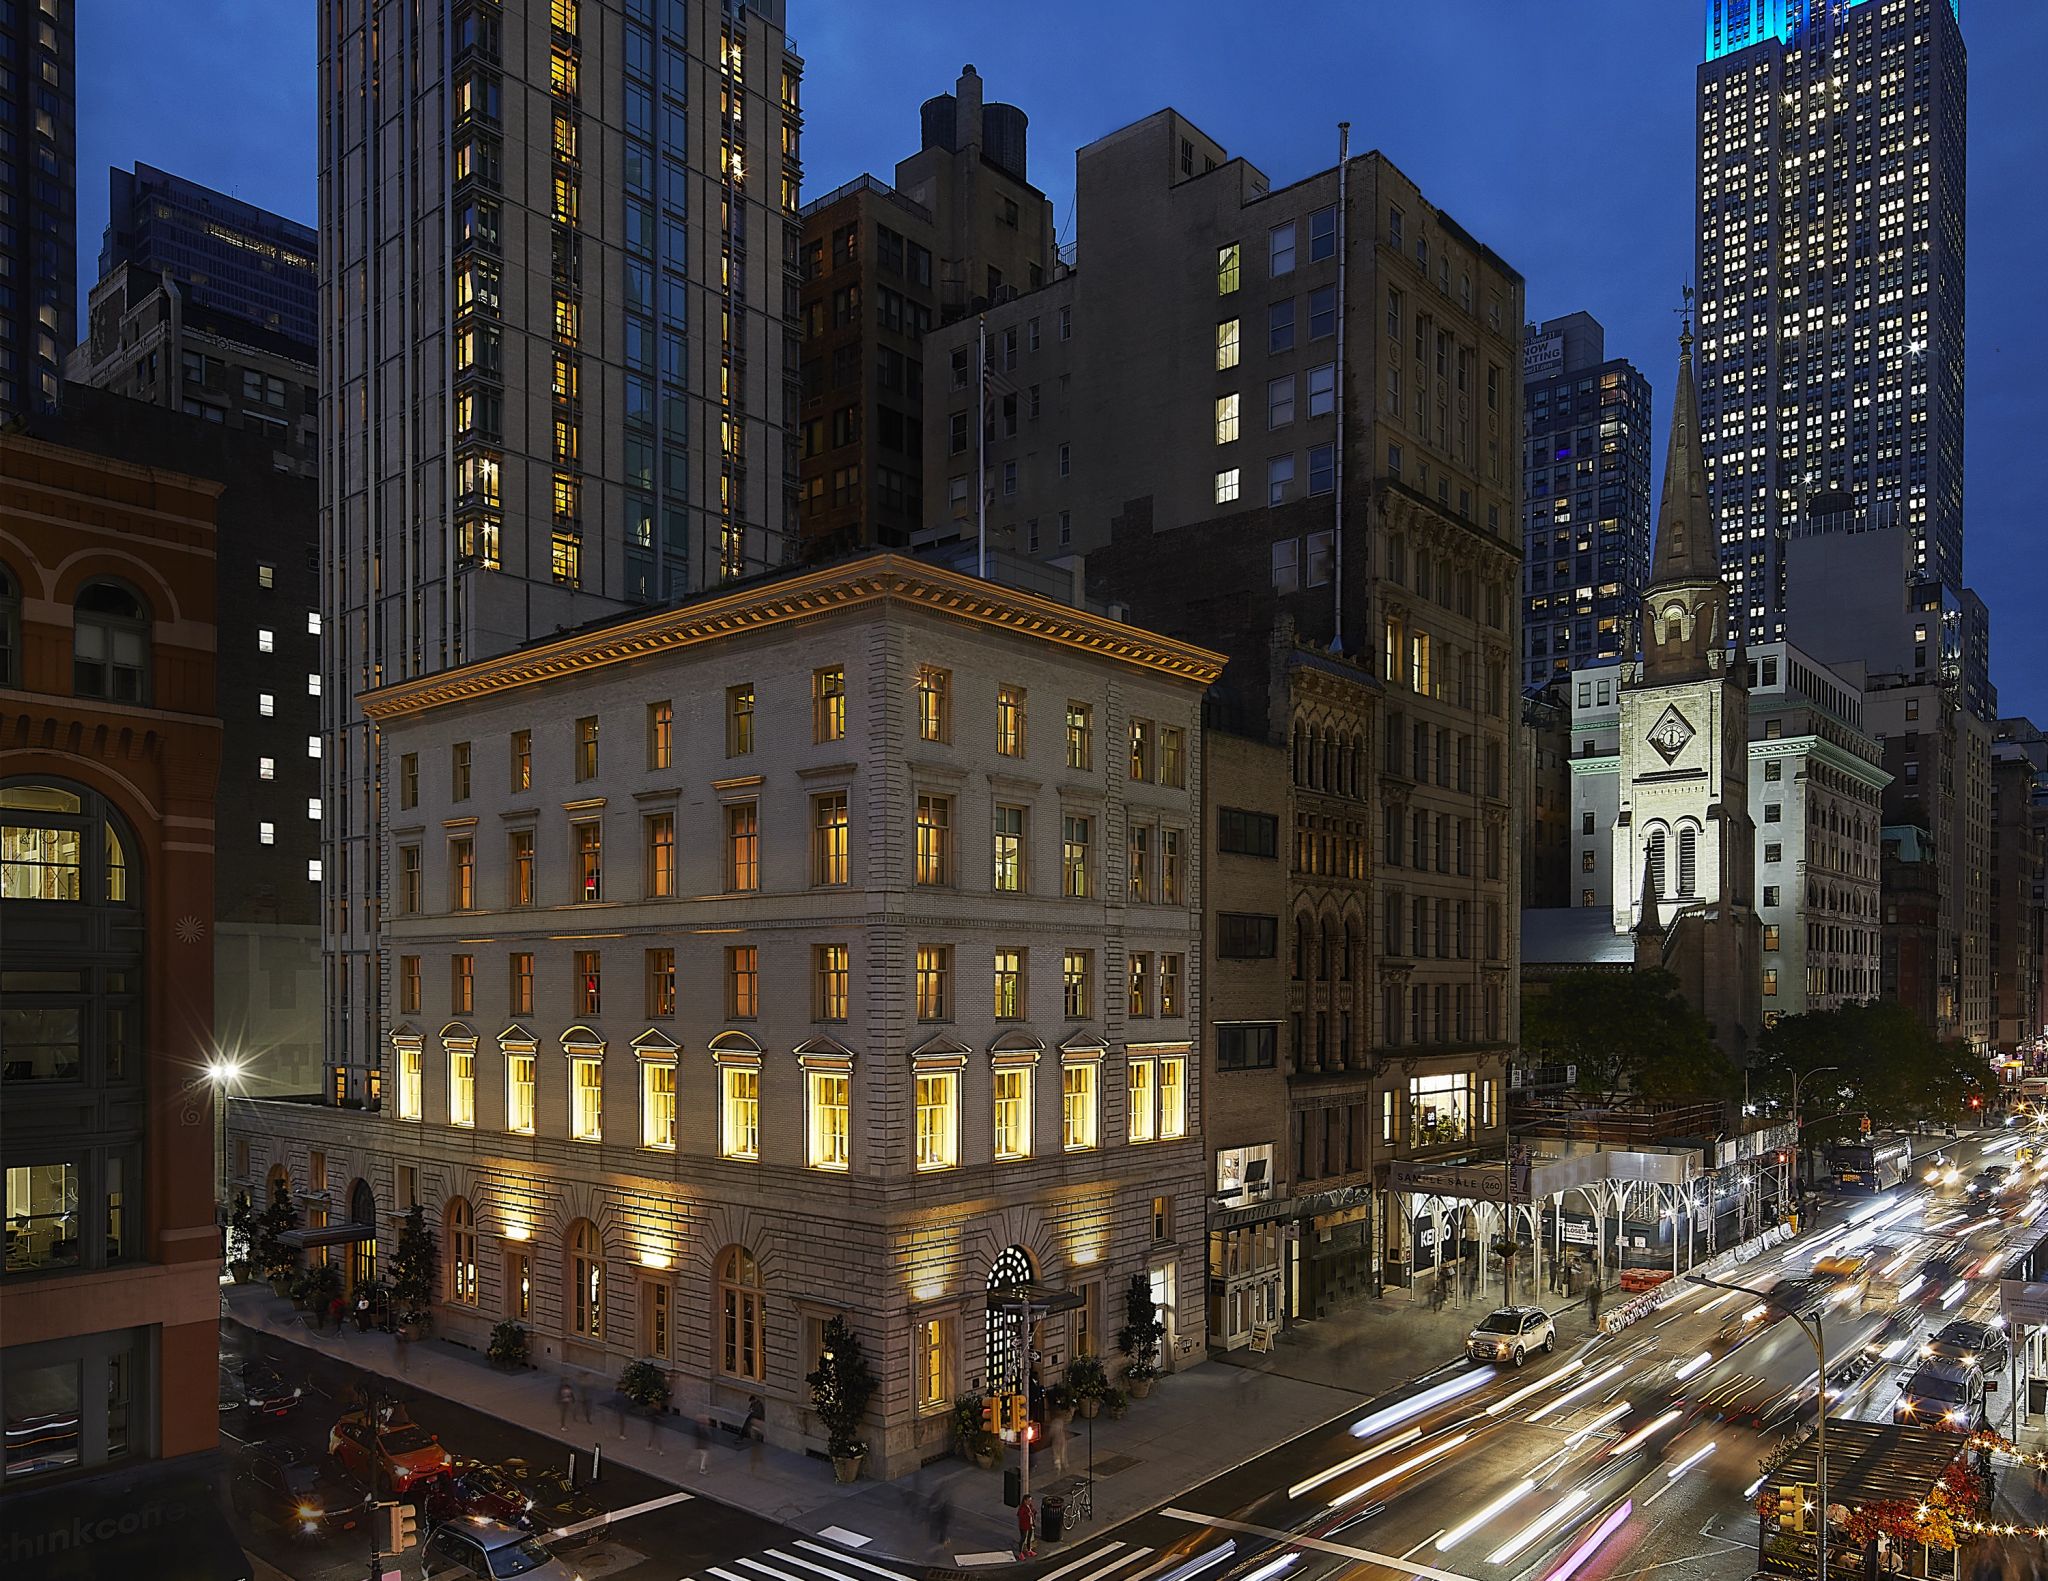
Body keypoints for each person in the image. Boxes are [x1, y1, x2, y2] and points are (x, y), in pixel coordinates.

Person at [1016, 1492, 1037, 1560]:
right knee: (1023, 1538)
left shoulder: (1030, 1506)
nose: (1030, 1502)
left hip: (1030, 1524)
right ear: (1025, 1501)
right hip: (1024, 1526)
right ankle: (1020, 1553)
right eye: (1029, 1500)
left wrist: (1033, 1512)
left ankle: (1029, 1550)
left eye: (1031, 1500)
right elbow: (1020, 1516)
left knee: (1029, 1538)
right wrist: (1028, 1514)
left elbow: (1033, 1511)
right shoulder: (1022, 1508)